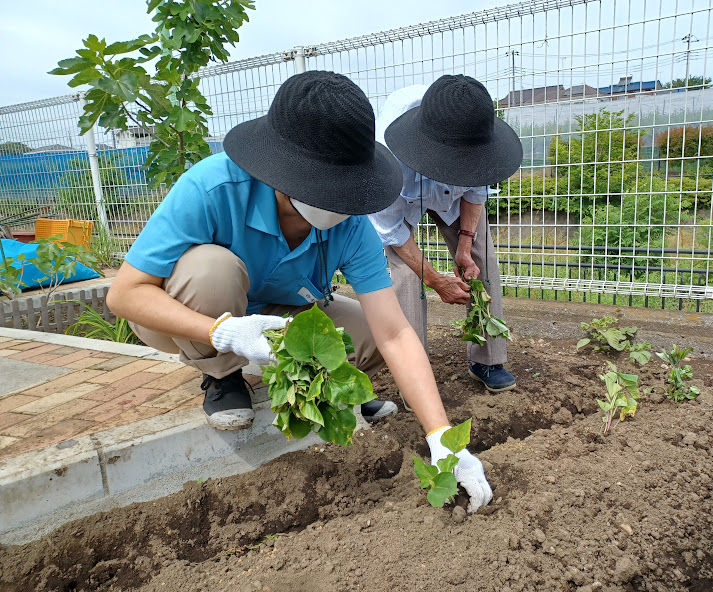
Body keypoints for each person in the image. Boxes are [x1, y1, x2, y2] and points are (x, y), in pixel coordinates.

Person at [105, 71, 493, 512]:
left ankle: (330, 390)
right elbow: (125, 295)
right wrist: (228, 333)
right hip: (192, 311)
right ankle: (222, 375)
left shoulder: (351, 219)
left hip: (280, 310)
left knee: (367, 334)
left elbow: (395, 332)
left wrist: (442, 440)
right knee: (211, 269)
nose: (335, 200)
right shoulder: (214, 186)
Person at [369, 75, 523, 393]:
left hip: (452, 201)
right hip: (402, 204)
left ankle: (488, 358)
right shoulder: (386, 154)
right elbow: (390, 229)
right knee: (405, 276)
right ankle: (414, 375)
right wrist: (436, 280)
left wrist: (465, 244)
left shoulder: (476, 136)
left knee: (481, 257)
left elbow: (476, 192)